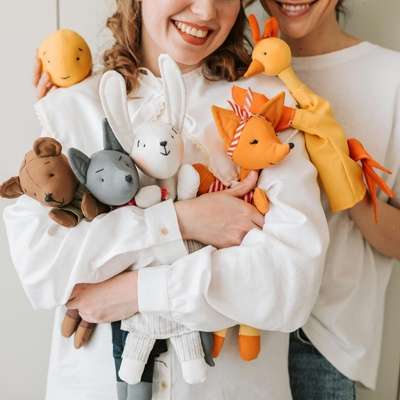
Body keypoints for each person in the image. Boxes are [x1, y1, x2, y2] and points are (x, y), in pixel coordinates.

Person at [4, 1, 330, 399]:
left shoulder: (264, 105)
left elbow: (290, 281)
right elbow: (42, 270)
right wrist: (180, 222)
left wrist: (133, 290)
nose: (206, 11)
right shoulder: (75, 105)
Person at [258, 0, 400, 399]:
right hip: (237, 327)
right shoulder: (233, 66)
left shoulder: (392, 77)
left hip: (323, 344)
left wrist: (346, 182)